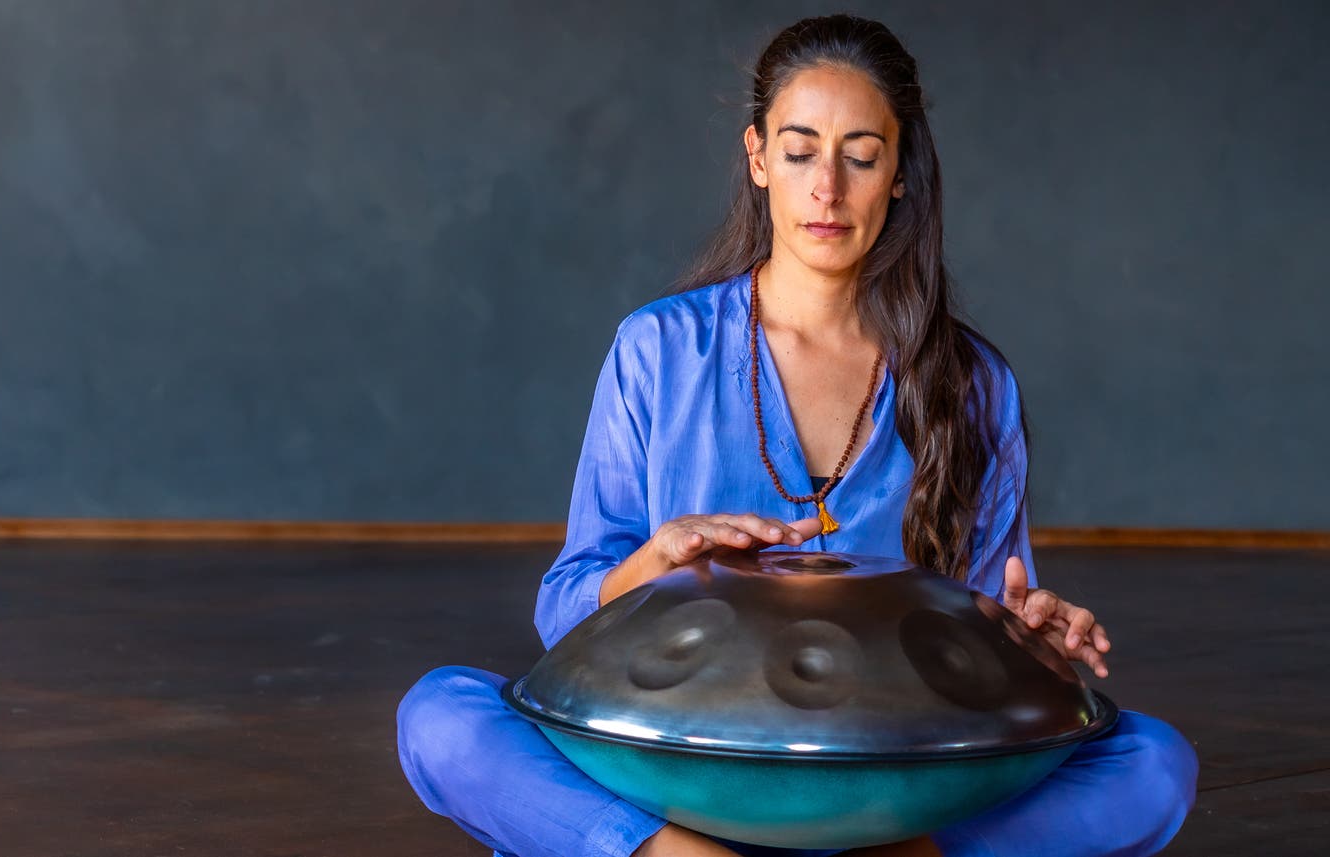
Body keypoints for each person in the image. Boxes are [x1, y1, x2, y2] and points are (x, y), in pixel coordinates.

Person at [395, 14, 1197, 857]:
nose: (828, 189)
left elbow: (975, 648)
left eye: (860, 154)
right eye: (801, 149)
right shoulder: (659, 349)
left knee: (1153, 763)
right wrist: (655, 559)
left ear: (897, 174)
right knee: (442, 715)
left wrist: (1028, 645)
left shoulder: (971, 383)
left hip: (887, 789)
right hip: (685, 771)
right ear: (758, 158)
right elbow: (564, 619)